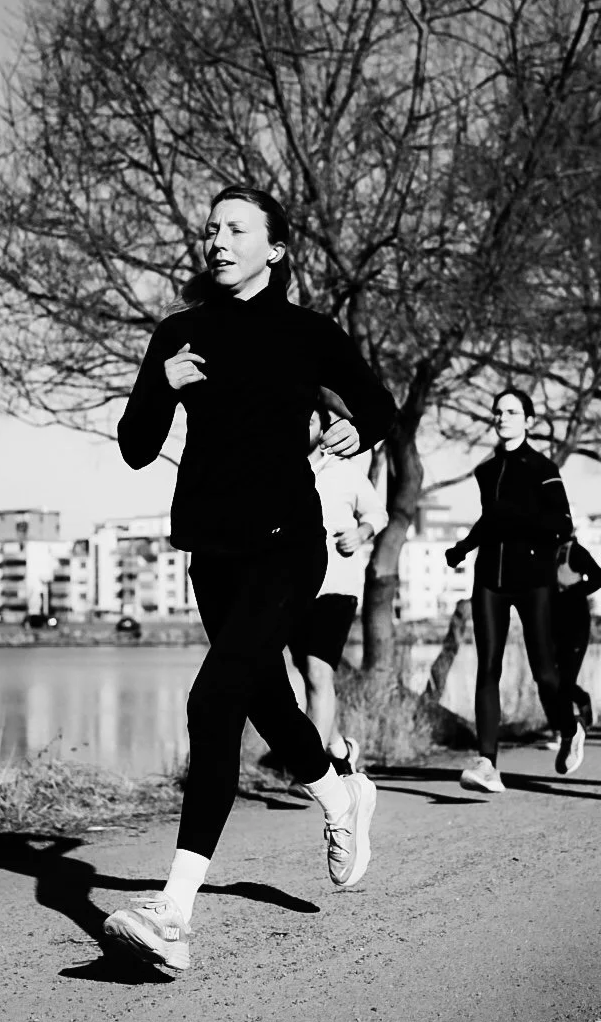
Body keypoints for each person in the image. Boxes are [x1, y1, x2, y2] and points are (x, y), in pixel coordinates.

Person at [103, 186, 396, 973]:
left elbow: (377, 405)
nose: (218, 240)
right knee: (266, 698)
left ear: (276, 248)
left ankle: (173, 914)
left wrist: (350, 424)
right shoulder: (181, 334)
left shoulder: (309, 334)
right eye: (210, 229)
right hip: (214, 553)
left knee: (213, 701)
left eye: (237, 229)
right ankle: (340, 794)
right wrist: (162, 381)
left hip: (288, 544)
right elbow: (135, 447)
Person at [445, 388, 583, 792]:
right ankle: (488, 762)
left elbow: (563, 523)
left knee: (544, 671)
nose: (503, 417)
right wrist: (463, 547)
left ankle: (569, 727)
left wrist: (519, 516)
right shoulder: (487, 470)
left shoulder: (542, 466)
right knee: (488, 667)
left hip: (533, 578)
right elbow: (490, 521)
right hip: (489, 576)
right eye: (498, 412)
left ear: (529, 420)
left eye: (512, 411)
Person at [284, 407, 388, 788]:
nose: (300, 427)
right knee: (309, 677)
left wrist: (361, 533)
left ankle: (310, 772)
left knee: (317, 671)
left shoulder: (345, 470)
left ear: (322, 428)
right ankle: (340, 749)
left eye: (308, 420)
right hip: (294, 589)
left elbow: (379, 512)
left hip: (337, 586)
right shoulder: (281, 471)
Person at [552, 536, 601, 734]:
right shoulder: (545, 551)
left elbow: (600, 577)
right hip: (552, 623)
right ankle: (568, 719)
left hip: (576, 623)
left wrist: (573, 593)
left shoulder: (575, 552)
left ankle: (565, 730)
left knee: (565, 679)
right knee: (550, 676)